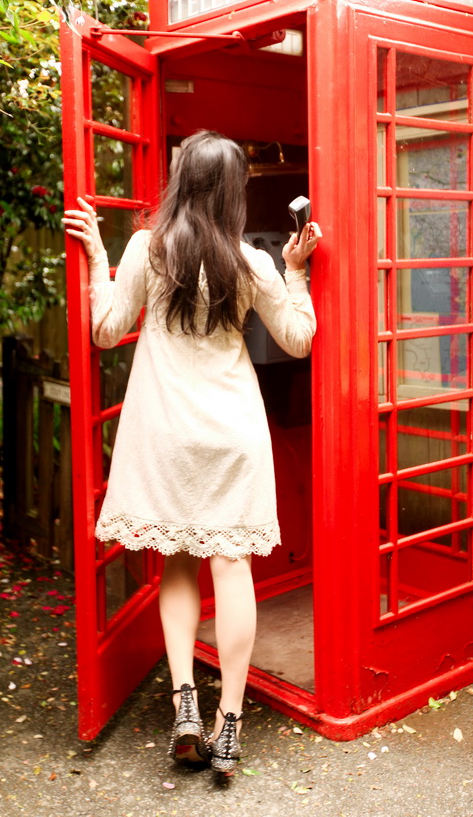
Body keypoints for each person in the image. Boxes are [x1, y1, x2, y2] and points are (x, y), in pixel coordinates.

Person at [62, 130, 318, 775]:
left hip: (166, 428)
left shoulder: (148, 249)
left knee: (177, 563)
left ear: (180, 183)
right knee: (232, 569)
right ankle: (229, 723)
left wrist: (97, 256)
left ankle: (185, 707)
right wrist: (296, 271)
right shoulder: (251, 262)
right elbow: (298, 340)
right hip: (232, 430)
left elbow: (104, 330)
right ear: (234, 193)